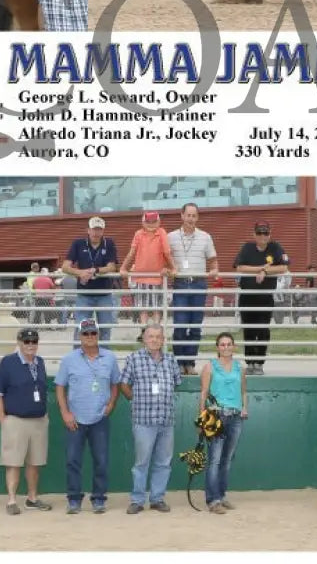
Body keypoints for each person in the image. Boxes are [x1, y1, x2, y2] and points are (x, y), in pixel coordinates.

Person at [55, 318, 120, 514]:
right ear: (80, 336)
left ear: (98, 335)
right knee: (73, 460)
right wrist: (65, 412)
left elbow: (115, 384)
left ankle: (99, 499)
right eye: (86, 334)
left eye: (93, 333)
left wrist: (111, 404)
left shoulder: (109, 358)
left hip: (100, 418)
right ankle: (74, 499)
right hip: (75, 418)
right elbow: (60, 387)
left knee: (101, 460)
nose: (90, 337)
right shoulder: (69, 359)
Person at [120, 324, 182, 514]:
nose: (154, 340)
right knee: (141, 462)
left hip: (166, 420)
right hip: (143, 420)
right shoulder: (134, 359)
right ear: (144, 339)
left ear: (163, 340)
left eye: (158, 337)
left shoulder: (171, 360)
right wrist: (134, 399)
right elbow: (124, 384)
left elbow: (176, 383)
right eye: (151, 336)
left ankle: (157, 499)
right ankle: (137, 500)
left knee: (163, 462)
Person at [0, 328, 52, 515]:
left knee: (35, 462)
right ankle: (11, 500)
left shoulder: (40, 363)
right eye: (27, 342)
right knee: (13, 462)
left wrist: (45, 414)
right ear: (19, 342)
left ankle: (32, 498)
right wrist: (3, 420)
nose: (31, 345)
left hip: (38, 420)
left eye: (34, 342)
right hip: (15, 420)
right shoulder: (8, 363)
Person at [199, 332, 248, 514]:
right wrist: (202, 418)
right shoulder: (210, 367)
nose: (226, 347)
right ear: (217, 347)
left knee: (226, 460)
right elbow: (204, 393)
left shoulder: (239, 368)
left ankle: (221, 494)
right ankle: (213, 500)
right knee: (214, 460)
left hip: (235, 418)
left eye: (229, 344)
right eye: (222, 344)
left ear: (234, 346)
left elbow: (243, 391)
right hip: (215, 416)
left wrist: (245, 407)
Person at [167, 203, 218, 376]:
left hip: (199, 284)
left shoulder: (205, 237)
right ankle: (179, 363)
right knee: (180, 325)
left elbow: (213, 260)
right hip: (180, 283)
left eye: (194, 216)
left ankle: (190, 363)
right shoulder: (171, 237)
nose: (191, 219)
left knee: (195, 327)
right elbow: (165, 259)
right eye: (188, 215)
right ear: (182, 216)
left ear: (197, 217)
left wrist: (214, 269)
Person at [232, 222, 289, 375]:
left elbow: (284, 267)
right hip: (247, 297)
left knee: (263, 330)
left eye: (265, 233)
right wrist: (261, 268)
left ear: (270, 234)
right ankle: (250, 362)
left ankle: (259, 363)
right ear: (254, 234)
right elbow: (239, 267)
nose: (262, 236)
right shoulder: (247, 248)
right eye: (259, 233)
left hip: (265, 297)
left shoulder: (275, 248)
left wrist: (265, 271)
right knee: (249, 331)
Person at [60, 216, 120, 342]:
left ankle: (103, 359)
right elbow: (65, 267)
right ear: (88, 230)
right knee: (80, 328)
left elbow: (112, 267)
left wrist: (96, 270)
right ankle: (78, 358)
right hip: (84, 294)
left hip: (104, 294)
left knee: (105, 329)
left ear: (103, 231)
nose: (96, 233)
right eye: (93, 229)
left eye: (99, 229)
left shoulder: (109, 243)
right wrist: (80, 272)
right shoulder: (78, 243)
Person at [119, 211, 176, 326]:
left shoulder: (161, 233)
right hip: (140, 277)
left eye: (154, 221)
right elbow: (132, 252)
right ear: (143, 222)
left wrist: (173, 268)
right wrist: (123, 268)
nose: (151, 224)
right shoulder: (138, 234)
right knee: (142, 307)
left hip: (157, 277)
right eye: (148, 221)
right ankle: (144, 330)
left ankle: (156, 330)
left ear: (159, 221)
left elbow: (167, 252)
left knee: (156, 307)